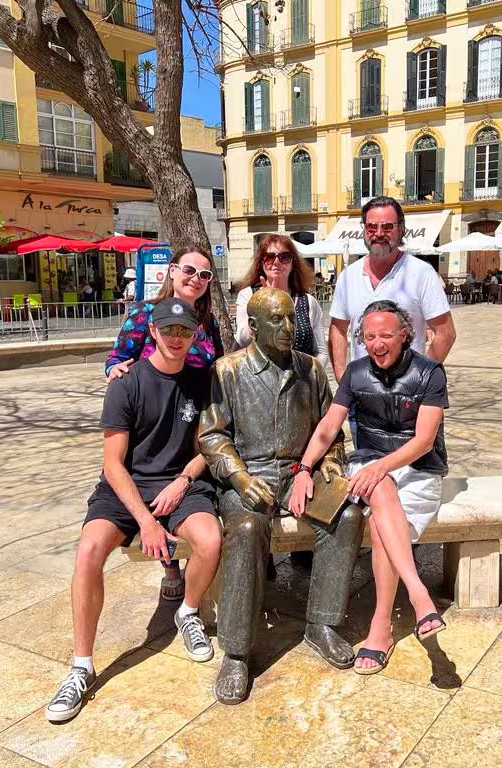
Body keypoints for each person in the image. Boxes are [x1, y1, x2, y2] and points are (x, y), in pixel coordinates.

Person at [46, 298, 222, 723]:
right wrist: (145, 521)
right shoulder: (126, 384)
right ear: (153, 333)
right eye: (168, 330)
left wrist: (182, 482)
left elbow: (209, 448)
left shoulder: (203, 382)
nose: (176, 338)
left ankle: (188, 611)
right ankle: (81, 666)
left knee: (211, 539)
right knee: (88, 552)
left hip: (180, 483)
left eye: (185, 331)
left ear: (194, 335)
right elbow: (113, 463)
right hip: (124, 489)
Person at [198, 289, 365, 705]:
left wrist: (330, 461)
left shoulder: (310, 369)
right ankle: (237, 652)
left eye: (292, 319)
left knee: (346, 515)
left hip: (298, 473)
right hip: (249, 475)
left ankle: (321, 624)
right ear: (253, 327)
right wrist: (237, 477)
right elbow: (212, 435)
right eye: (278, 320)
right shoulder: (228, 371)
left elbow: (329, 428)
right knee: (250, 527)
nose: (290, 328)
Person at [290, 300, 448, 675]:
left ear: (406, 334)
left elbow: (424, 440)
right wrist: (304, 468)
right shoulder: (356, 373)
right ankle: (417, 593)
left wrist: (380, 467)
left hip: (419, 469)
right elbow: (329, 426)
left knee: (380, 525)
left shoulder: (430, 374)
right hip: (372, 466)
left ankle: (381, 627)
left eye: (387, 335)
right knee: (380, 489)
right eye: (370, 336)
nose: (377, 343)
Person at [104, 247, 225, 604]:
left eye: (205, 275)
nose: (196, 280)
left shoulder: (207, 321)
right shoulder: (144, 313)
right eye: (190, 270)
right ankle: (171, 566)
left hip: (193, 416)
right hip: (153, 420)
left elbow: (216, 364)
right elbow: (118, 358)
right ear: (172, 271)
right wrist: (116, 372)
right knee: (157, 484)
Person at [328, 196, 456, 386]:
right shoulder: (348, 277)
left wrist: (421, 378)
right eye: (372, 227)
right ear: (364, 230)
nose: (379, 233)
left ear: (401, 229)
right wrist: (342, 378)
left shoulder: (421, 273)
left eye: (387, 227)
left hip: (408, 396)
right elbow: (337, 330)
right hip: (363, 395)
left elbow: (446, 332)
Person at [234, 234, 330, 373]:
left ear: (293, 263)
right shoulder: (248, 295)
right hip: (259, 383)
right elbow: (242, 340)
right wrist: (264, 302)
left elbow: (321, 351)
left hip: (301, 383)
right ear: (262, 262)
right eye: (270, 257)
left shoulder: (308, 302)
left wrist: (311, 376)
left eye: (284, 257)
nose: (276, 262)